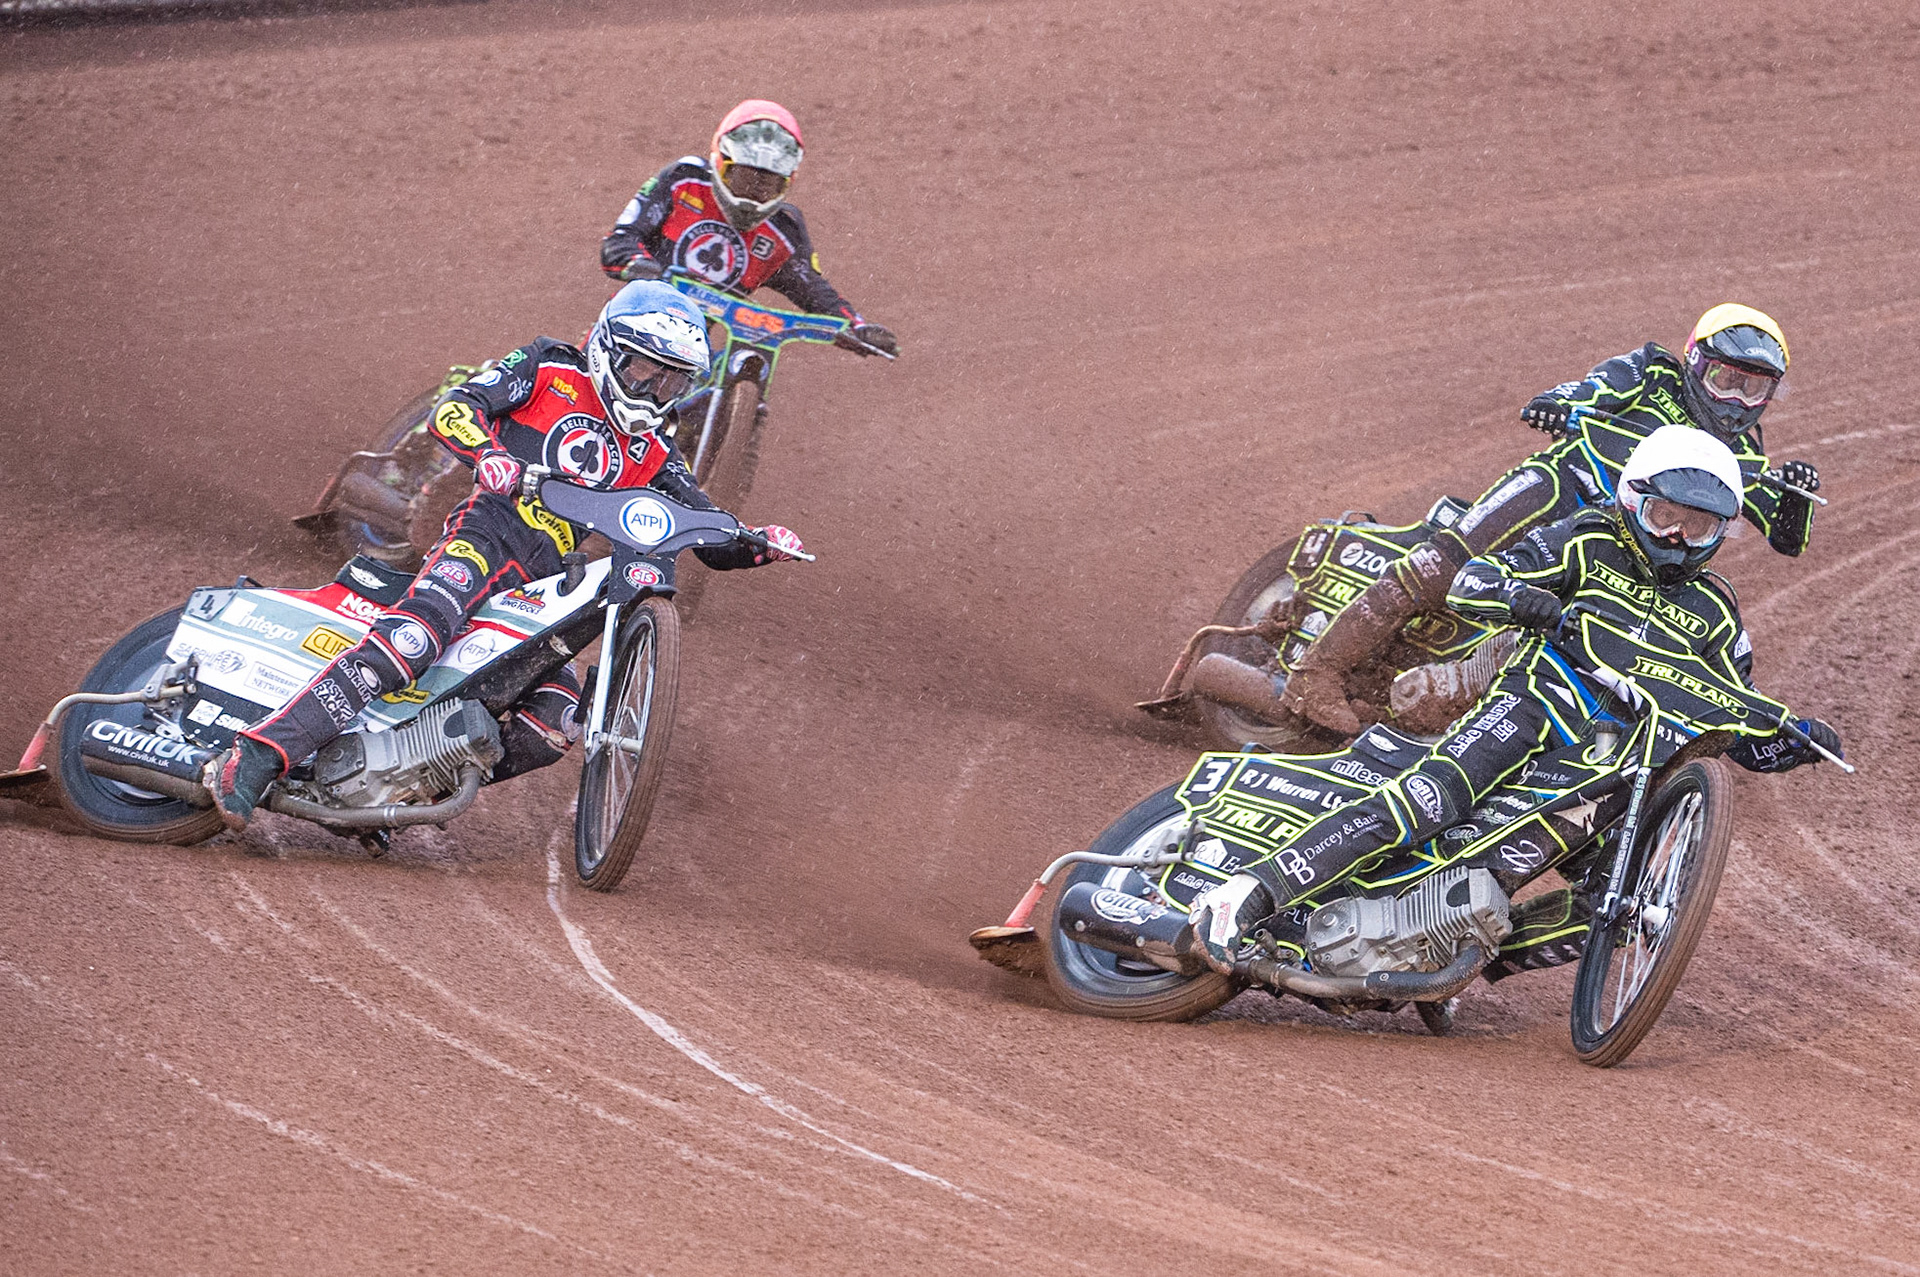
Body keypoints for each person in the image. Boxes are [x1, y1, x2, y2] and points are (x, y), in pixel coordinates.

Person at [1186, 426, 1842, 973]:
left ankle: (1449, 954)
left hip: (1613, 759)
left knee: (1617, 903)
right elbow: (1472, 580)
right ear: (1632, 500)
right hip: (1532, 703)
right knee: (1430, 801)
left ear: (1721, 531)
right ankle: (1247, 893)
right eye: (1664, 516)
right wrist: (1520, 598)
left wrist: (1790, 743)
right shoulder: (1587, 537)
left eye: (1697, 527)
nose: (1675, 537)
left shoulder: (1719, 613)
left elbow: (1730, 713)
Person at [204, 282, 807, 830]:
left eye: (672, 382)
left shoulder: (655, 448)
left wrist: (757, 544)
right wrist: (489, 454)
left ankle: (392, 793)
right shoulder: (550, 366)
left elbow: (706, 529)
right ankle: (258, 754)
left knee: (555, 722)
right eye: (645, 370)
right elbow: (455, 409)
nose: (654, 391)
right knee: (413, 640)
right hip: (485, 535)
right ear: (609, 350)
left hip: (545, 585)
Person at [1280, 304, 1822, 736]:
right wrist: (1558, 405)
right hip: (1558, 489)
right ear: (1695, 362)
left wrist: (1797, 495)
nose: (1735, 401)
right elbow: (1591, 388)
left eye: (1754, 388)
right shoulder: (1653, 373)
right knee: (1446, 565)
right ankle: (1314, 673)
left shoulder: (1743, 458)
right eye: (1727, 379)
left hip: (1614, 543)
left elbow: (1787, 539)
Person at [599, 99, 898, 359]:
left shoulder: (784, 232)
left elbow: (817, 294)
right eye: (744, 178)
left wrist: (857, 327)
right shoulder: (684, 179)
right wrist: (640, 265)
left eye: (767, 184)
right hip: (629, 321)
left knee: (724, 364)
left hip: (692, 349)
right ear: (721, 161)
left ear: (787, 184)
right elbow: (619, 241)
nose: (753, 193)